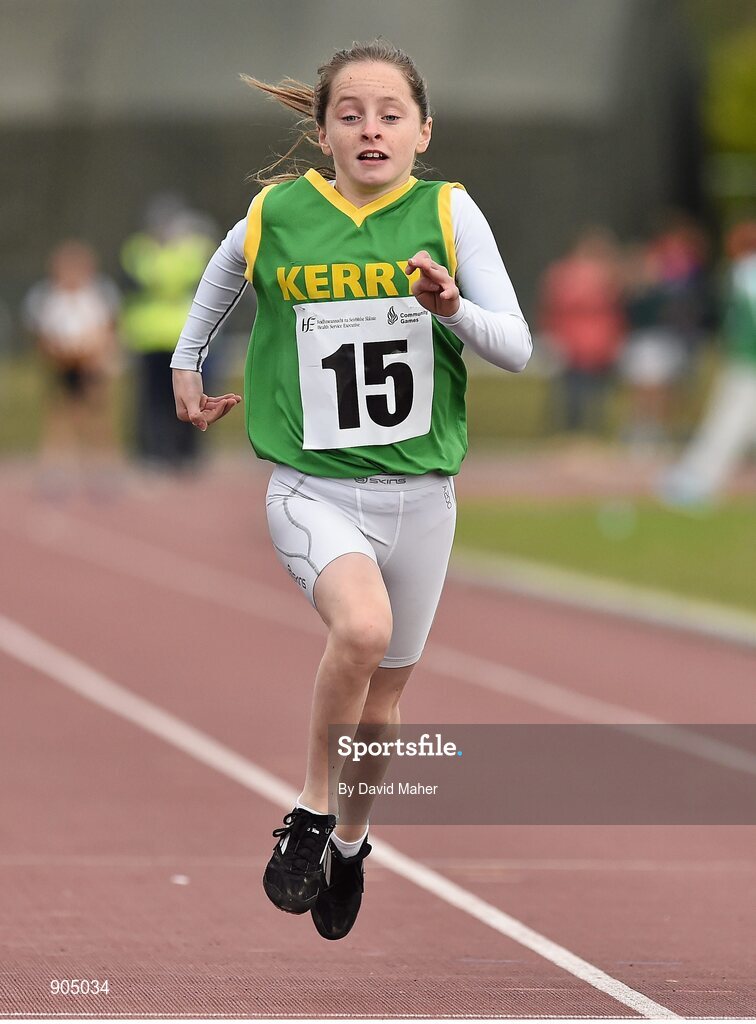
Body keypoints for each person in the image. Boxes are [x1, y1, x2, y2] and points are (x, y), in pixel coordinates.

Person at [171, 40, 532, 941]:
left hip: (423, 496)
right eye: (350, 114)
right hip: (313, 487)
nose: (371, 128)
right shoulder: (277, 213)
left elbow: (517, 347)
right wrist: (185, 359)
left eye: (390, 114)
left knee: (384, 704)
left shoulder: (450, 212)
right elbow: (224, 275)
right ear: (323, 131)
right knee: (361, 632)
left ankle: (354, 842)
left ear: (422, 131)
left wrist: (452, 310)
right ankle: (309, 810)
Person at [659, 219, 756, 505]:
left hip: (747, 362)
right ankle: (698, 478)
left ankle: (699, 480)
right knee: (729, 422)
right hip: (744, 359)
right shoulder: (743, 270)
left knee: (728, 422)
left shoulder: (746, 270)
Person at [22, 239, 121, 494]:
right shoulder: (47, 297)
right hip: (62, 365)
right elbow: (42, 336)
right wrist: (61, 353)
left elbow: (106, 331)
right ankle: (56, 471)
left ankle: (103, 470)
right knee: (59, 417)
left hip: (91, 366)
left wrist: (92, 354)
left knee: (97, 418)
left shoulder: (97, 294)